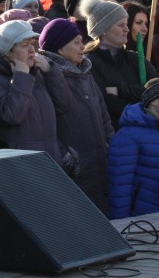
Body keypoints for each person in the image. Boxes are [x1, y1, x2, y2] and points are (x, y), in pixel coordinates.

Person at [0, 20, 76, 174]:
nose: (32, 50)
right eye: (25, 45)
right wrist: (21, 76)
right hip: (22, 169)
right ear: (7, 52)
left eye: (32, 43)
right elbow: (13, 115)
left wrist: (51, 72)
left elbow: (64, 105)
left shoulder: (35, 73)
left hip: (51, 162)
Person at [39, 19, 114, 213]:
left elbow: (103, 114)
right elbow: (46, 125)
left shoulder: (85, 73)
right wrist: (67, 156)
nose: (83, 47)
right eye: (76, 42)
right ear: (60, 48)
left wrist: (108, 143)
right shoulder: (45, 76)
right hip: (74, 166)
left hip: (98, 160)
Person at [107, 79, 159, 219]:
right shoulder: (129, 134)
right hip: (137, 218)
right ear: (153, 101)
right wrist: (120, 222)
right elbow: (120, 183)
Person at [80, 0, 158, 129]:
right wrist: (142, 101)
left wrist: (121, 90)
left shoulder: (135, 59)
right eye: (121, 25)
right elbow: (105, 102)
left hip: (145, 130)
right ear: (104, 29)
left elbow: (158, 90)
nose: (127, 29)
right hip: (115, 133)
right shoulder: (88, 62)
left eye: (126, 24)